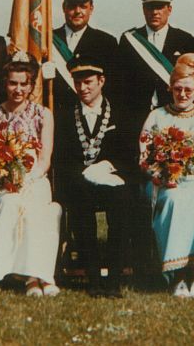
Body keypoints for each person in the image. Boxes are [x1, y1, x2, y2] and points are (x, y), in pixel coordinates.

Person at [0, 53, 62, 296]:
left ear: (31, 85)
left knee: (36, 208)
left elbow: (45, 159)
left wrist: (29, 178)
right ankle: (24, 277)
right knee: (11, 203)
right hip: (3, 182)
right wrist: (7, 177)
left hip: (34, 177)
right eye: (13, 83)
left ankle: (38, 276)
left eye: (24, 83)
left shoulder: (43, 114)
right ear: (5, 83)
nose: (18, 89)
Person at [53, 55, 138, 298]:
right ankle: (92, 278)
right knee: (81, 210)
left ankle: (113, 279)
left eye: (89, 82)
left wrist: (107, 166)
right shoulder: (65, 115)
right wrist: (82, 174)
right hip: (80, 182)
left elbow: (129, 153)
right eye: (78, 83)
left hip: (112, 180)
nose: (83, 88)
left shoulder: (120, 113)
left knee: (121, 207)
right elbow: (62, 157)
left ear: (101, 81)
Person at [139, 57, 194, 299]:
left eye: (188, 89)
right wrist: (159, 173)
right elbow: (144, 156)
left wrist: (193, 173)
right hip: (166, 181)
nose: (183, 94)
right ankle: (176, 275)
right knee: (174, 200)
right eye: (178, 89)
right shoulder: (157, 116)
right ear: (170, 88)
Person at [118, 0, 194, 134]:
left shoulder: (184, 39)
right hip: (136, 116)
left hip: (173, 114)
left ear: (169, 9)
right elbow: (121, 81)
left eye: (159, 7)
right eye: (150, 7)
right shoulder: (129, 39)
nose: (154, 12)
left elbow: (192, 80)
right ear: (143, 9)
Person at [51, 0, 119, 110]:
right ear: (63, 7)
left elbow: (113, 87)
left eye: (83, 6)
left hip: (91, 116)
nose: (77, 11)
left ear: (91, 8)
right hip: (56, 113)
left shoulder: (106, 42)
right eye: (72, 6)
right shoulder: (48, 40)